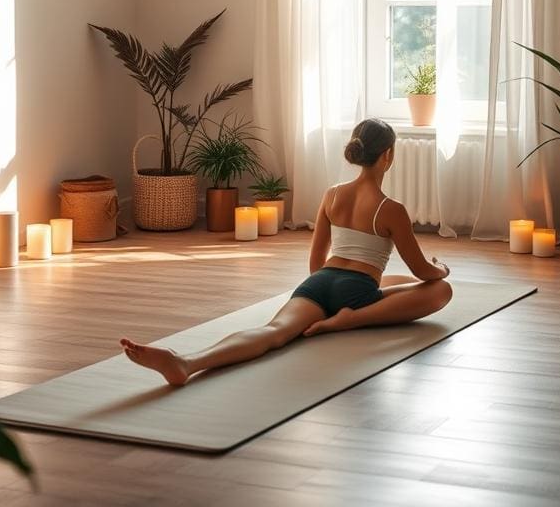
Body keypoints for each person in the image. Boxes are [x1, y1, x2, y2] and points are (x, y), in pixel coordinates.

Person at [120, 118, 452, 386]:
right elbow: (423, 271)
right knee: (441, 291)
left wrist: (325, 295)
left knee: (272, 332)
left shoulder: (332, 194)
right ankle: (352, 320)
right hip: (357, 293)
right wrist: (441, 269)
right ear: (388, 156)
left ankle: (188, 362)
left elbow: (315, 260)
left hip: (319, 283)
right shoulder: (390, 209)